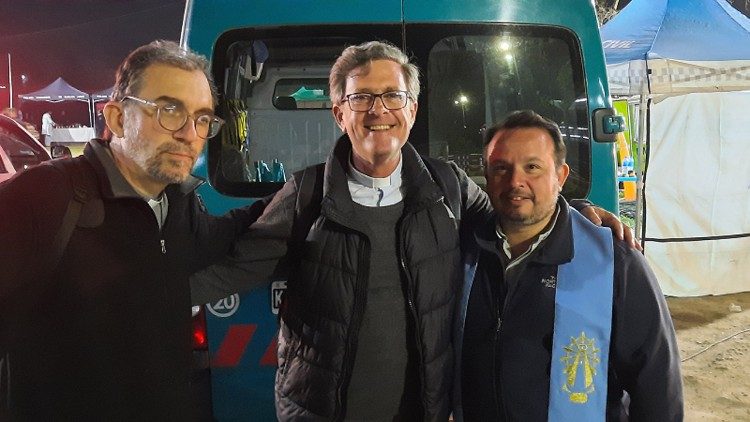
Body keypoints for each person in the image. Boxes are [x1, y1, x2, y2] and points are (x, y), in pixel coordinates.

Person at [190, 41, 632, 421]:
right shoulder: (305, 196)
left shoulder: (448, 189)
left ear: (412, 110)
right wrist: (141, 295)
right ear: (339, 113)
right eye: (361, 97)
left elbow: (515, 216)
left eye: (392, 96)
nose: (378, 110)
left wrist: (576, 209)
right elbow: (232, 268)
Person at [0, 40, 262, 420]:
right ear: (118, 118)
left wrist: (307, 193)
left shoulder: (179, 205)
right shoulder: (43, 199)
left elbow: (231, 232)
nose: (190, 134)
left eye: (202, 118)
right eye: (169, 111)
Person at [455, 110, 683, 421]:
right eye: (501, 168)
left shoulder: (615, 263)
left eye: (532, 167)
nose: (515, 181)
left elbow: (656, 383)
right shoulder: (462, 251)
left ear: (560, 177)